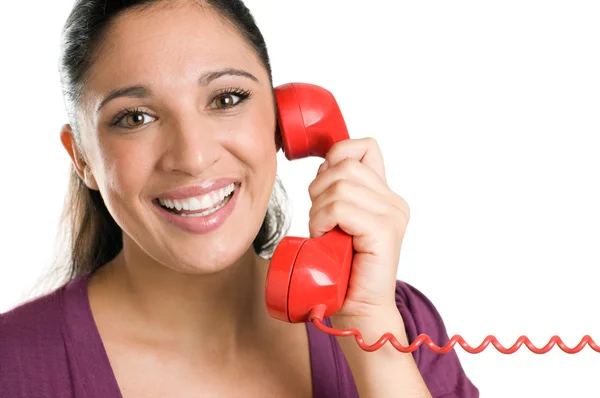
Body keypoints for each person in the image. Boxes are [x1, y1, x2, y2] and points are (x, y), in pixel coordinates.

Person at [0, 1, 479, 397]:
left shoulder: (395, 322)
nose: (193, 156)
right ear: (81, 157)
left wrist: (373, 331)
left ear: (283, 119)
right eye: (135, 118)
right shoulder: (13, 368)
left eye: (226, 99)